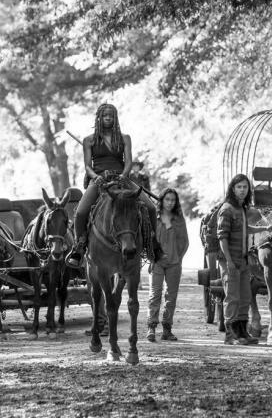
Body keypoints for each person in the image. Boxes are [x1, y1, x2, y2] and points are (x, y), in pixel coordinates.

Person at [66, 103, 164, 267]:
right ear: (99, 118)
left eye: (111, 116)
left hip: (122, 178)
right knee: (81, 212)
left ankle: (153, 243)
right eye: (105, 116)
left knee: (151, 207)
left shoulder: (125, 138)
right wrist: (95, 177)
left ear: (115, 118)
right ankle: (79, 246)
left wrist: (123, 175)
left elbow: (128, 161)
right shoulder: (88, 140)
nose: (108, 118)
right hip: (99, 180)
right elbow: (87, 166)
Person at [217, 174, 266, 346]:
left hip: (244, 261)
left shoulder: (242, 209)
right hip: (230, 260)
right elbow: (222, 237)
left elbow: (245, 229)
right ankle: (230, 335)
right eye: (239, 187)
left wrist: (265, 227)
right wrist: (229, 261)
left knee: (245, 297)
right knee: (232, 297)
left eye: (245, 187)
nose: (243, 190)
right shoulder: (227, 209)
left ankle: (243, 332)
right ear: (232, 188)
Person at [146, 188, 189, 342]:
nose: (170, 202)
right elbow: (147, 240)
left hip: (174, 263)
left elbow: (184, 241)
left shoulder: (179, 219)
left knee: (171, 297)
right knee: (155, 294)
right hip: (157, 262)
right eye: (167, 199)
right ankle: (151, 327)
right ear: (162, 200)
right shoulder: (154, 217)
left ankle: (167, 329)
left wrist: (178, 258)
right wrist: (151, 258)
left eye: (173, 200)